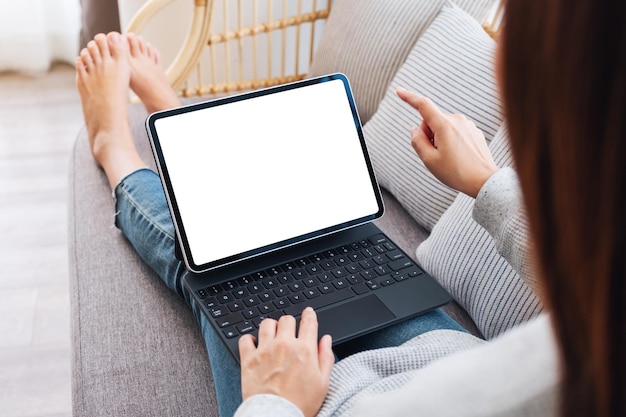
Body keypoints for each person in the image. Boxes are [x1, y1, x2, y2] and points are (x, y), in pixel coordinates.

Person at [75, 0, 625, 413]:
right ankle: (180, 128)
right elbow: (589, 284)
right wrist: (485, 184)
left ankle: (117, 149)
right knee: (314, 237)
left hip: (324, 403)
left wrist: (275, 404)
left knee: (214, 268)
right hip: (437, 350)